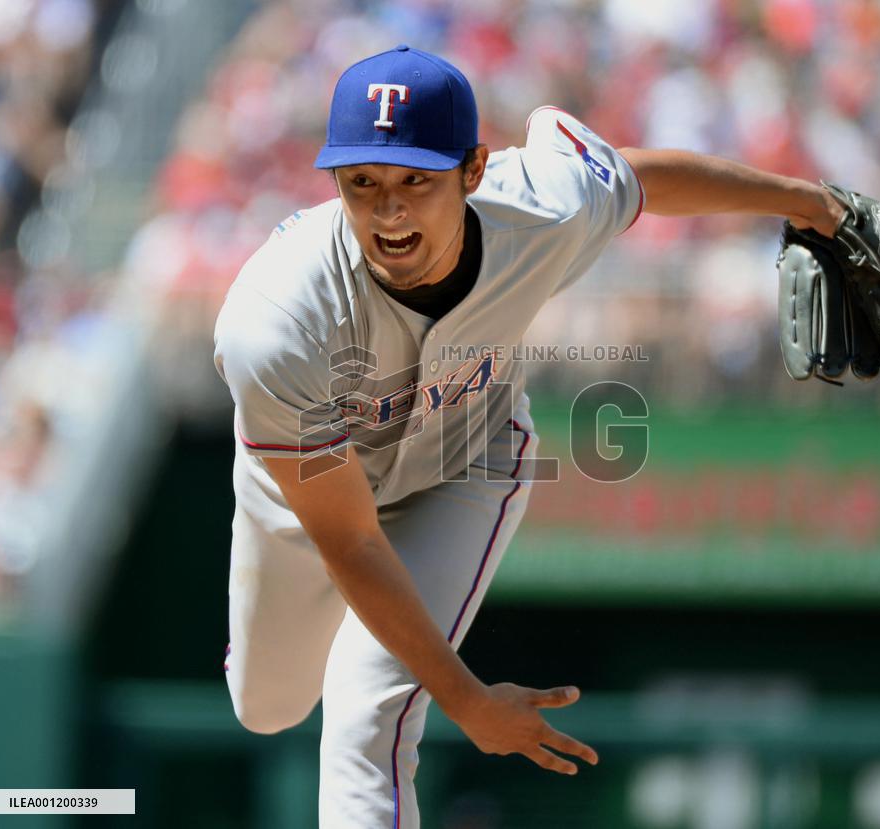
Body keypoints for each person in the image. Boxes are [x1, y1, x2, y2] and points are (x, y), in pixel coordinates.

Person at [212, 44, 844, 828]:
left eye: (416, 179)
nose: (389, 210)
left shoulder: (542, 210)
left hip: (462, 461)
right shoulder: (275, 320)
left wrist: (811, 203)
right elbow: (352, 540)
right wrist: (468, 700)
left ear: (474, 170)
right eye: (363, 182)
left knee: (364, 718)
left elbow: (643, 180)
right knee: (269, 706)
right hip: (310, 494)